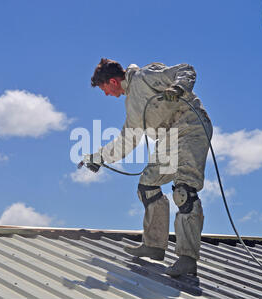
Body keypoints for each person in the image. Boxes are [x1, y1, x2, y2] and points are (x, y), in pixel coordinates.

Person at [83, 58, 213, 277]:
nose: (106, 95)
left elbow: (185, 69)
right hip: (170, 139)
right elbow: (126, 142)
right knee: (147, 186)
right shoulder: (132, 106)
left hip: (191, 128)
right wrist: (98, 157)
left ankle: (187, 260)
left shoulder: (145, 76)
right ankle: (154, 246)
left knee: (184, 192)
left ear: (113, 81)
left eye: (105, 90)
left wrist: (178, 87)